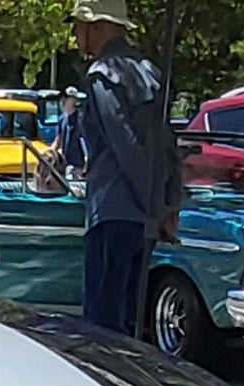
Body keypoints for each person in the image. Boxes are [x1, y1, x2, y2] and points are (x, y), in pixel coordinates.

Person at [69, 0, 181, 337]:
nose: (75, 34)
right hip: (145, 219)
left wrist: (154, 202)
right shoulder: (150, 72)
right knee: (132, 325)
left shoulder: (102, 76)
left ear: (97, 28)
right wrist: (169, 202)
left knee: (104, 328)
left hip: (113, 210)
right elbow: (169, 143)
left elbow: (124, 144)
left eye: (78, 26)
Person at [52, 86, 87, 175]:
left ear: (74, 100)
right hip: (64, 166)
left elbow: (86, 144)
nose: (63, 101)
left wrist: (85, 167)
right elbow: (58, 140)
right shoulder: (62, 118)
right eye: (62, 98)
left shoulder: (81, 119)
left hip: (78, 166)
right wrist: (49, 154)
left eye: (67, 98)